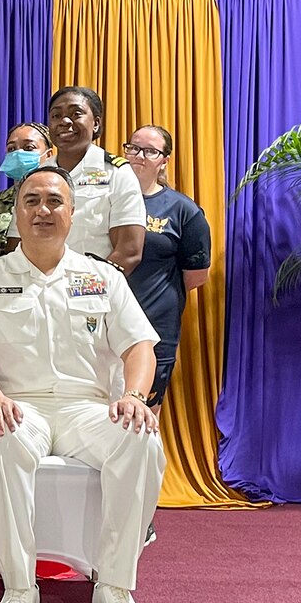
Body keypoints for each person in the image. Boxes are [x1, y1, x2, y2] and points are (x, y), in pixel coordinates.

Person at [0, 167, 164, 603]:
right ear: (16, 213)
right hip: (15, 404)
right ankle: (21, 590)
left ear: (73, 212)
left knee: (141, 436)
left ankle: (114, 589)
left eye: (54, 201)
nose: (43, 210)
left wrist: (134, 396)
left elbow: (140, 346)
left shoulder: (101, 276)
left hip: (88, 407)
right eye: (32, 201)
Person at [123, 125, 212, 407]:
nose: (139, 155)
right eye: (133, 147)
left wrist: (154, 291)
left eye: (150, 151)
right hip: (102, 324)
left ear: (164, 160)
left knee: (143, 416)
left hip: (154, 328)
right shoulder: (104, 200)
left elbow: (196, 275)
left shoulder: (183, 210)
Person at [16, 86, 144, 275]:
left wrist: (80, 290)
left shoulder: (117, 173)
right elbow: (15, 242)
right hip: (35, 289)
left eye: (76, 114)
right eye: (56, 116)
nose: (64, 121)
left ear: (96, 124)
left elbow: (129, 251)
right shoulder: (35, 177)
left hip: (90, 294)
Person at [0, 122, 56, 265]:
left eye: (28, 148)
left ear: (49, 154)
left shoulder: (60, 202)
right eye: (11, 149)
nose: (18, 154)